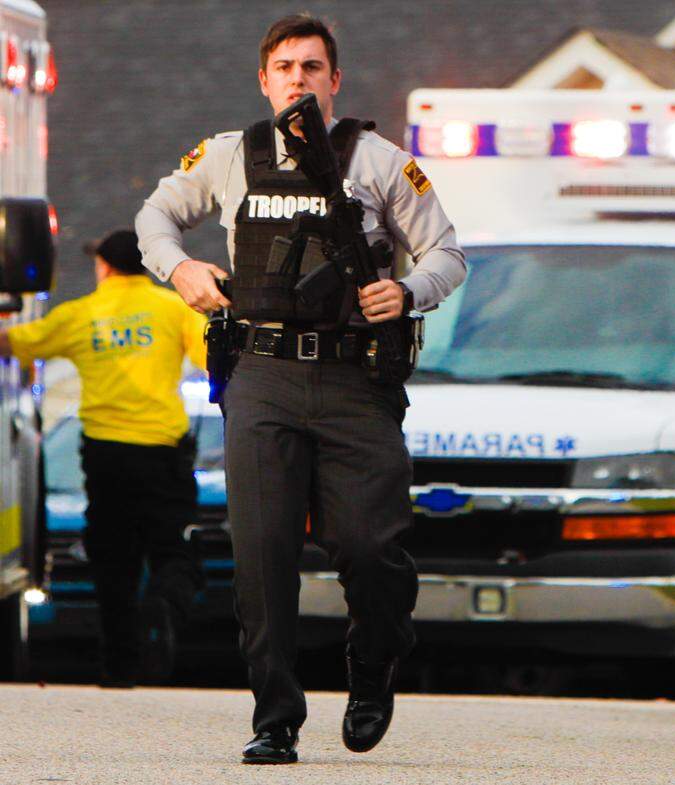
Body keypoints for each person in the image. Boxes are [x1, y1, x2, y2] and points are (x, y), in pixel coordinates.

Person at [135, 13, 465, 764]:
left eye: (312, 67)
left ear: (335, 79)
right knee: (262, 550)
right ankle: (275, 714)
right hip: (262, 375)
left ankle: (375, 662)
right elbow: (155, 215)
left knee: (371, 547)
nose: (297, 78)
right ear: (264, 78)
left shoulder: (380, 160)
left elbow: (448, 253)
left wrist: (408, 292)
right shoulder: (229, 155)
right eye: (284, 66)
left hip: (356, 379)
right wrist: (179, 268)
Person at [0, 229, 206, 688]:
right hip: (163, 454)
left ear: (104, 267)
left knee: (114, 563)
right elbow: (211, 356)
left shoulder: (82, 314)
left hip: (106, 457)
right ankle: (165, 607)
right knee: (173, 551)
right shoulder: (172, 310)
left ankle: (119, 668)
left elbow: (16, 343)